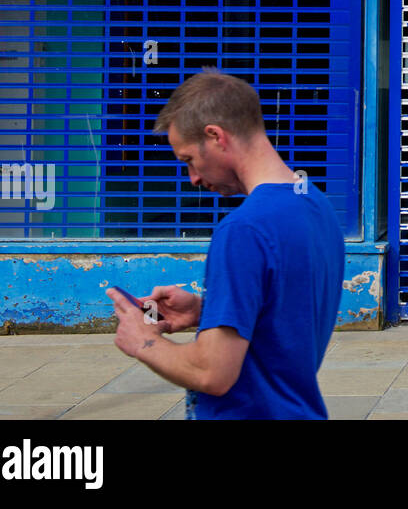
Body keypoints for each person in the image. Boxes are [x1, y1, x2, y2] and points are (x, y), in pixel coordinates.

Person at [108, 69, 345, 419]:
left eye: (189, 160)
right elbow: (285, 317)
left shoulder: (243, 229)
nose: (193, 178)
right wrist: (208, 311)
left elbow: (212, 373)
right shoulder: (314, 203)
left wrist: (143, 341)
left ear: (216, 136)